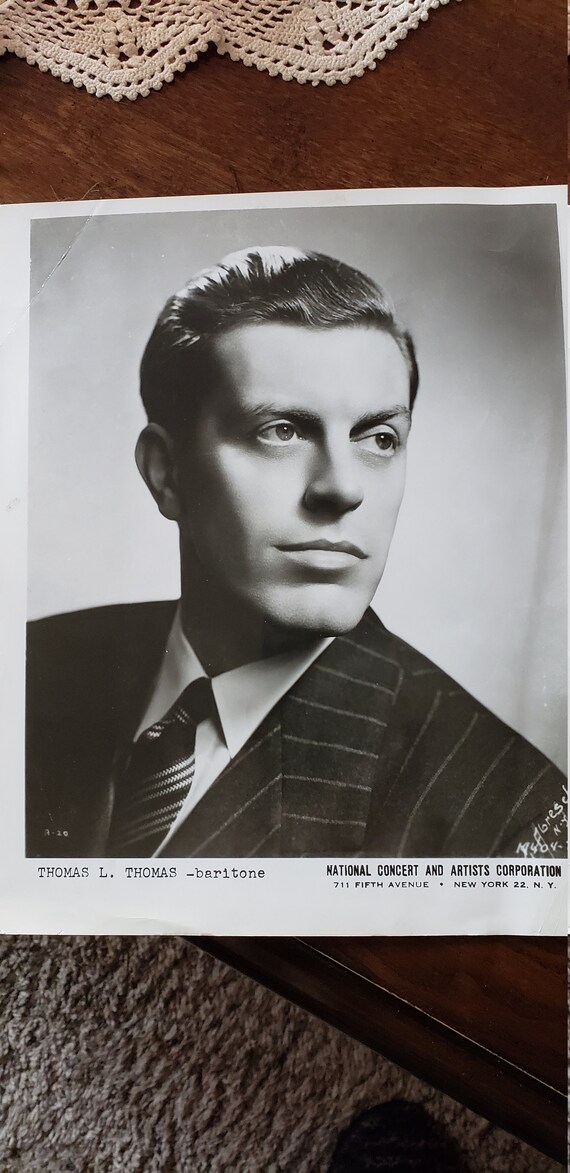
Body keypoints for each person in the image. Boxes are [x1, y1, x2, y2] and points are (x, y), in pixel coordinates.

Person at [26, 246, 567, 859]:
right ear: (166, 473)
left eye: (379, 438)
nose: (343, 488)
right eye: (281, 430)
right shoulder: (29, 666)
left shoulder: (508, 817)